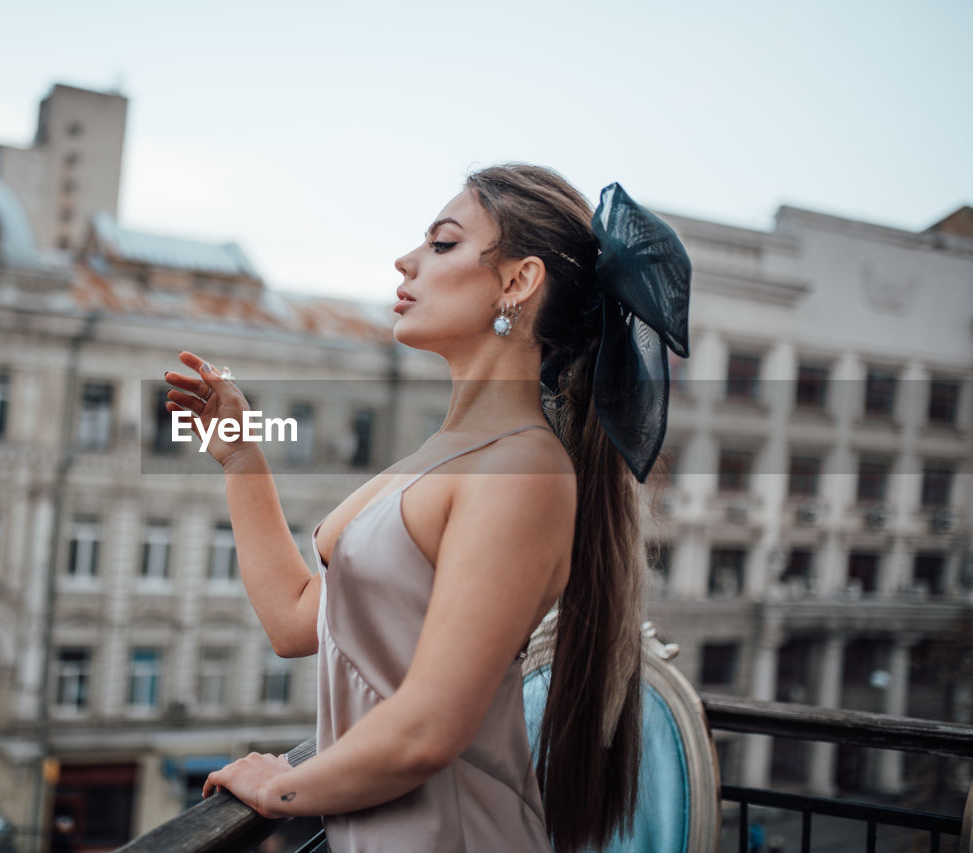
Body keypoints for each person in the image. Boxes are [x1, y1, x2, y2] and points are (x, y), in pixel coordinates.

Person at [163, 164, 690, 853]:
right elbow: (294, 617)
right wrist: (240, 458)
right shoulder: (446, 454)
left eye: (442, 244)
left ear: (517, 282)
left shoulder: (523, 469)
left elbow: (427, 728)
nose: (405, 260)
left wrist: (281, 786)